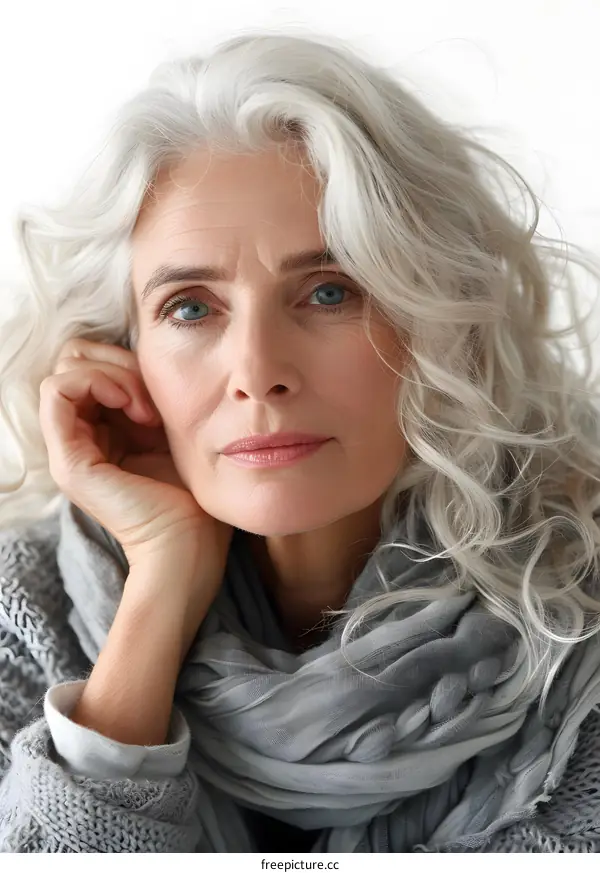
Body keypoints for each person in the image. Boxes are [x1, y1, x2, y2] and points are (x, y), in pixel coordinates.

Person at [1, 29, 600, 854]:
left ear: (438, 321)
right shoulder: (23, 616)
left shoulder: (581, 630)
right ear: (122, 350)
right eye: (190, 307)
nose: (256, 371)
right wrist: (159, 584)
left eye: (328, 291)